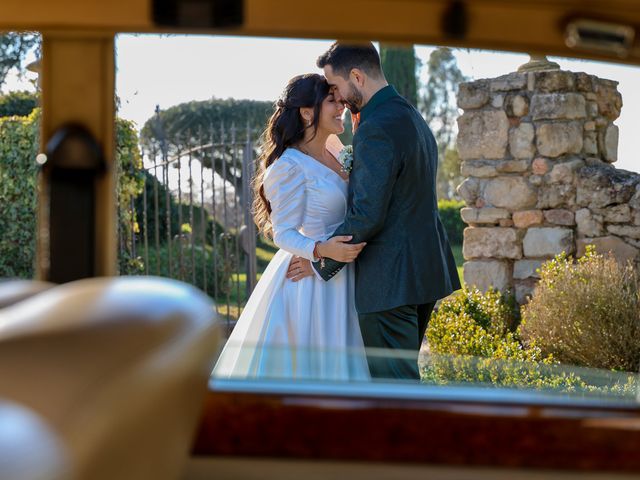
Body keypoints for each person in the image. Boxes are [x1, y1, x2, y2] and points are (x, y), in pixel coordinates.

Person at [289, 41, 461, 380]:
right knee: (402, 380)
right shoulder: (409, 114)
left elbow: (367, 214)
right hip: (422, 272)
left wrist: (320, 258)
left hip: (389, 280)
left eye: (336, 87)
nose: (336, 97)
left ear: (356, 76)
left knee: (394, 388)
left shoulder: (377, 127)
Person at [214, 73, 370, 381]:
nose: (341, 106)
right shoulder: (288, 166)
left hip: (348, 274)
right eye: (332, 101)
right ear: (307, 112)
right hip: (312, 285)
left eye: (339, 100)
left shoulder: (338, 149)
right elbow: (282, 231)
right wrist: (319, 252)